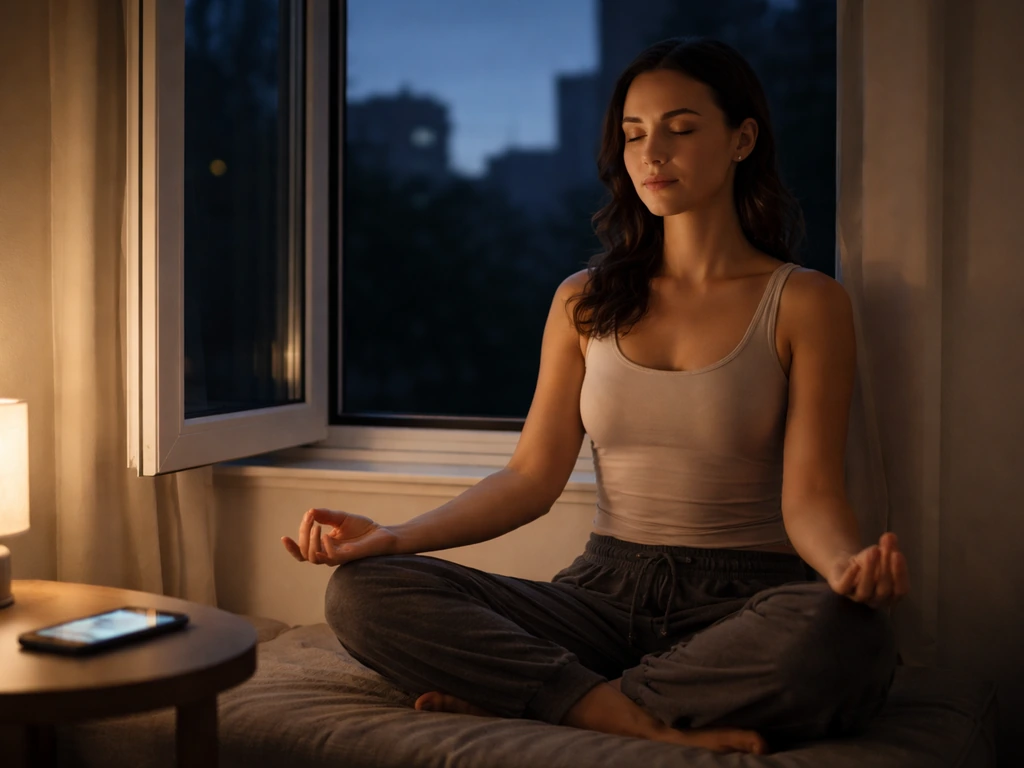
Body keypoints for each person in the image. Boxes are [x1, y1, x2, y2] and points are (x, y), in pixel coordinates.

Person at [282, 37, 910, 756]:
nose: (652, 153)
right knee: (363, 592)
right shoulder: (584, 301)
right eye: (634, 134)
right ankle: (621, 709)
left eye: (680, 127)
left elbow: (812, 498)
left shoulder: (805, 302)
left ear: (742, 139)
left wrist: (843, 571)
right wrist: (393, 537)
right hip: (599, 596)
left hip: (743, 599)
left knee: (849, 638)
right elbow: (528, 478)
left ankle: (549, 697)